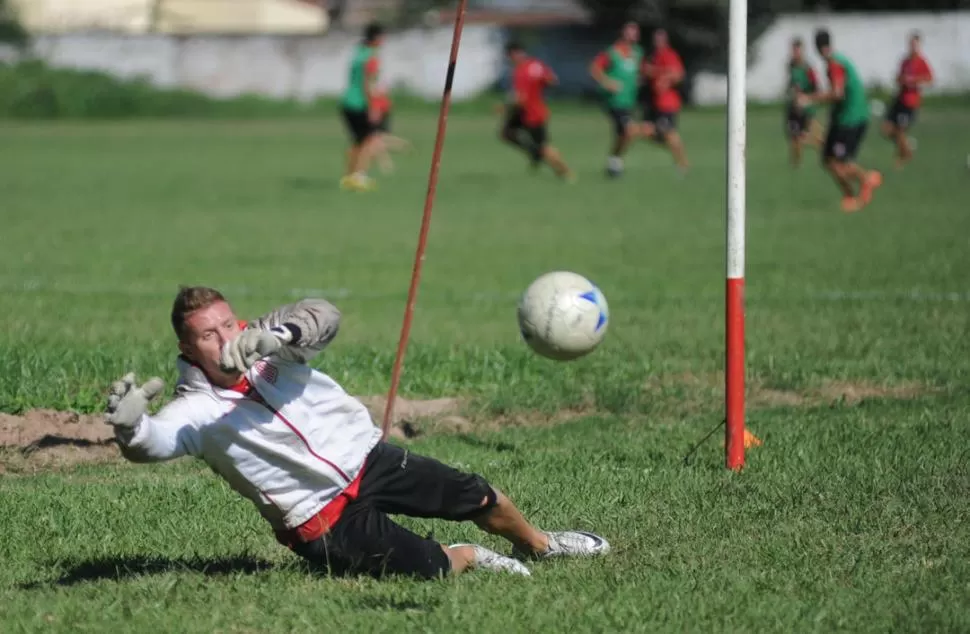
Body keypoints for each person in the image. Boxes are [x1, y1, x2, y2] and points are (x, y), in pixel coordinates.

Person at [103, 287, 610, 580]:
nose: (224, 340)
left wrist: (275, 335)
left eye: (227, 325)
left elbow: (324, 314)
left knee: (475, 493)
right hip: (320, 519)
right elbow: (156, 441)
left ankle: (542, 545)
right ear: (188, 350)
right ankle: (470, 555)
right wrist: (130, 428)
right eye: (207, 336)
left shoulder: (268, 342)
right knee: (429, 571)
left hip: (368, 460)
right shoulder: (195, 410)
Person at [798, 29, 882, 213]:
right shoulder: (836, 61)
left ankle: (863, 181)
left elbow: (837, 93)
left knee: (839, 162)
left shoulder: (835, 64)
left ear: (816, 47)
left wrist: (809, 99)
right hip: (845, 118)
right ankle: (852, 192)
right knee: (829, 160)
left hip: (851, 119)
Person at [499, 41, 575, 182]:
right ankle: (535, 153)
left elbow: (519, 98)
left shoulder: (521, 71)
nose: (509, 58)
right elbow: (553, 80)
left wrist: (504, 106)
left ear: (514, 54)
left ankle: (566, 172)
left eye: (509, 55)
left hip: (531, 114)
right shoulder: (536, 64)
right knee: (506, 133)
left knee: (544, 148)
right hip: (531, 111)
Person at [590, 21, 644, 178]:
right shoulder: (612, 52)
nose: (633, 35)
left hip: (629, 100)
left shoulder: (638, 53)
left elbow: (638, 73)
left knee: (623, 134)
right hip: (614, 100)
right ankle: (615, 160)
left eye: (635, 31)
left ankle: (614, 161)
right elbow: (594, 68)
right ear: (623, 33)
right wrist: (607, 82)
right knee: (630, 130)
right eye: (630, 31)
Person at [339, 22, 385, 192]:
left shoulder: (358, 53)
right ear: (377, 38)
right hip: (361, 103)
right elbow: (368, 83)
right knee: (369, 140)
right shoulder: (372, 56)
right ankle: (359, 176)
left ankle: (349, 176)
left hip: (347, 101)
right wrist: (373, 106)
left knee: (357, 141)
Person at [881, 31, 933, 170]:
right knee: (886, 129)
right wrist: (900, 80)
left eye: (915, 44)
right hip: (899, 99)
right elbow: (899, 77)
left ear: (919, 46)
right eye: (911, 44)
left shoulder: (921, 61)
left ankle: (903, 157)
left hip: (910, 102)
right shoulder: (905, 61)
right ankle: (907, 149)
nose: (912, 47)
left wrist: (914, 81)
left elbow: (929, 79)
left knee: (900, 131)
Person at [640, 28, 689, 174]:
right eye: (656, 39)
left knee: (668, 133)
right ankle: (680, 157)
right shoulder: (652, 56)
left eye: (660, 39)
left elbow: (678, 74)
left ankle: (682, 164)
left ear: (665, 40)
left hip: (667, 103)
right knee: (647, 130)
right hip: (654, 103)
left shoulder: (669, 55)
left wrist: (664, 79)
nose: (657, 42)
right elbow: (646, 71)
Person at [784, 37, 824, 167]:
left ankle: (827, 153)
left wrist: (807, 98)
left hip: (806, 108)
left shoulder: (808, 68)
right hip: (794, 108)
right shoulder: (791, 66)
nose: (795, 53)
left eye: (797, 50)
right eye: (793, 50)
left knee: (813, 136)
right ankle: (796, 165)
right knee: (794, 137)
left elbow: (816, 87)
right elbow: (792, 85)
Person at [369, 85, 411, 175]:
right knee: (378, 142)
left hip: (379, 120)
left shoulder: (377, 97)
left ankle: (387, 165)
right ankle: (402, 145)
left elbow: (376, 113)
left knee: (376, 142)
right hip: (382, 118)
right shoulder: (379, 96)